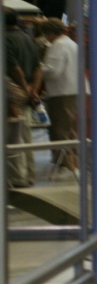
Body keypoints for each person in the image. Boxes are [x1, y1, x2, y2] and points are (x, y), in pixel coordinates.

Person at [5, 10, 42, 187]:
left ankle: (18, 177)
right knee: (26, 134)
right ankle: (29, 174)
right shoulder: (29, 39)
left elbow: (14, 67)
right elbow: (38, 67)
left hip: (11, 95)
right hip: (27, 93)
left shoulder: (5, 39)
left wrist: (23, 87)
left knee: (14, 136)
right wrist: (33, 89)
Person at [40, 18, 82, 173]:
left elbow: (53, 71)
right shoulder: (72, 44)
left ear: (50, 33)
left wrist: (39, 69)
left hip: (61, 92)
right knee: (70, 129)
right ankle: (73, 162)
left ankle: (66, 164)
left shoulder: (58, 45)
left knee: (60, 130)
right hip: (74, 90)